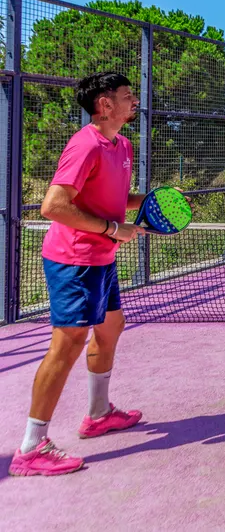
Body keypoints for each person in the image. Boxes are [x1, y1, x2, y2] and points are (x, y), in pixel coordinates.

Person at [9, 73, 147, 477]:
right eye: (127, 96)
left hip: (102, 258)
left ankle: (99, 414)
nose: (135, 101)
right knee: (67, 344)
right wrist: (112, 229)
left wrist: (155, 201)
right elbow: (53, 206)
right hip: (74, 260)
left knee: (111, 327)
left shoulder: (122, 145)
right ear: (105, 105)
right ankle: (31, 448)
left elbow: (114, 197)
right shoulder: (85, 144)